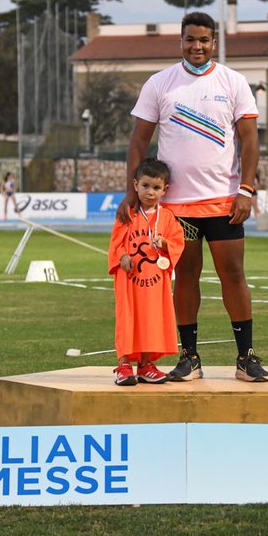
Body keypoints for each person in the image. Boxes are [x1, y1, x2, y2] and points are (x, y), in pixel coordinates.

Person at [118, 11, 268, 383]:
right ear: (180, 41)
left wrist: (246, 189)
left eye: (203, 40)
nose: (196, 46)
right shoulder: (160, 83)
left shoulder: (233, 82)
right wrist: (130, 191)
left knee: (233, 275)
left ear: (213, 42)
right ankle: (190, 358)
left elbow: (249, 139)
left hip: (223, 200)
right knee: (185, 277)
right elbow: (139, 140)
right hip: (175, 206)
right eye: (189, 39)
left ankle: (245, 357)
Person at [109, 158, 185, 386]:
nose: (150, 192)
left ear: (165, 190)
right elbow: (116, 243)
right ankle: (123, 364)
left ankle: (145, 364)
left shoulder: (168, 218)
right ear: (135, 185)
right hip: (129, 281)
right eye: (145, 186)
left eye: (156, 188)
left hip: (154, 283)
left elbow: (178, 243)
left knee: (150, 320)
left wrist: (164, 244)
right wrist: (122, 255)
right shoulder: (127, 213)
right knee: (128, 319)